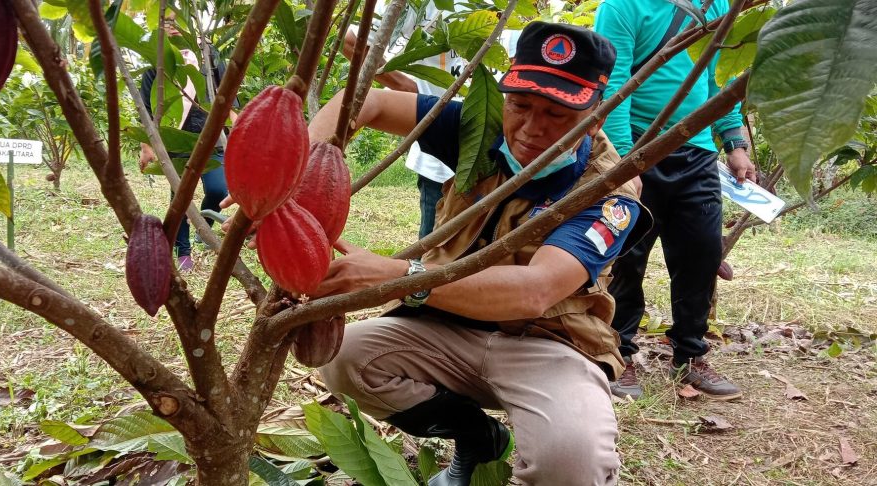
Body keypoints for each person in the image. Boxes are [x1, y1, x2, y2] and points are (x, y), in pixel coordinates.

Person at [307, 22, 646, 485]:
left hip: (546, 343)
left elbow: (534, 292)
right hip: (446, 331)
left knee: (571, 459)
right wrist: (301, 167)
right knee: (345, 357)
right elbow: (373, 101)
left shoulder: (609, 189)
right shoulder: (478, 129)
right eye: (520, 105)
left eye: (557, 114)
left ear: (596, 114)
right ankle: (477, 438)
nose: (531, 127)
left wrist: (397, 275)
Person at [594, 0, 755, 401]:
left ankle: (690, 353)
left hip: (696, 150)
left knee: (700, 254)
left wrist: (733, 140)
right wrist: (626, 165)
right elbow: (614, 84)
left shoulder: (717, 5)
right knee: (626, 258)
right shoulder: (621, 6)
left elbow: (718, 80)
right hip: (636, 146)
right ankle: (619, 354)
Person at [340, 2, 464, 238]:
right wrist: (404, 85)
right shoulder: (425, 5)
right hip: (440, 153)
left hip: (494, 149)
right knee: (432, 248)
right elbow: (352, 41)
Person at [137, 14, 234, 271]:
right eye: (165, 22)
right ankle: (183, 251)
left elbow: (229, 93)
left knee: (218, 189)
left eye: (175, 21)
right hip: (175, 142)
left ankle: (204, 230)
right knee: (180, 198)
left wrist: (239, 131)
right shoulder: (155, 62)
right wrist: (147, 146)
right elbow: (147, 109)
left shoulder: (209, 55)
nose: (171, 27)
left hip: (212, 139)